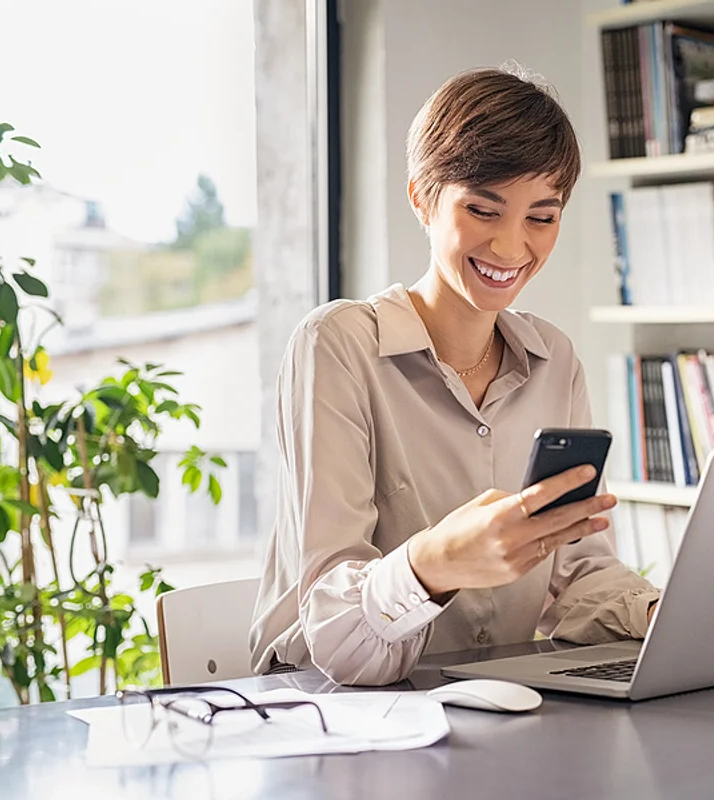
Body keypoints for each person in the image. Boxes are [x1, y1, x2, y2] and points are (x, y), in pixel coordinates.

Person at [249, 66, 660, 686]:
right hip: (325, 711)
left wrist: (665, 613)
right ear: (421, 197)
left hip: (485, 706)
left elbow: (578, 572)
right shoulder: (337, 345)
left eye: (541, 218)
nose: (511, 246)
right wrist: (435, 563)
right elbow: (330, 626)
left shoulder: (555, 358)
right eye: (482, 209)